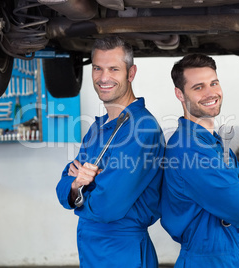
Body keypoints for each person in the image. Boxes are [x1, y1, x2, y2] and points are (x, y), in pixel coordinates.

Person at [56, 36, 164, 267]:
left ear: (131, 73)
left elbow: (107, 206)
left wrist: (80, 190)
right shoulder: (99, 127)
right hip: (93, 250)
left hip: (123, 252)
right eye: (97, 68)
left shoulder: (141, 128)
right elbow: (64, 185)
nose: (103, 78)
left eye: (114, 69)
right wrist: (76, 186)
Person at [161, 54, 239, 267]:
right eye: (198, 87)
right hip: (208, 256)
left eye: (214, 83)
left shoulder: (210, 141)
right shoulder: (191, 148)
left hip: (223, 250)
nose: (211, 93)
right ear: (179, 94)